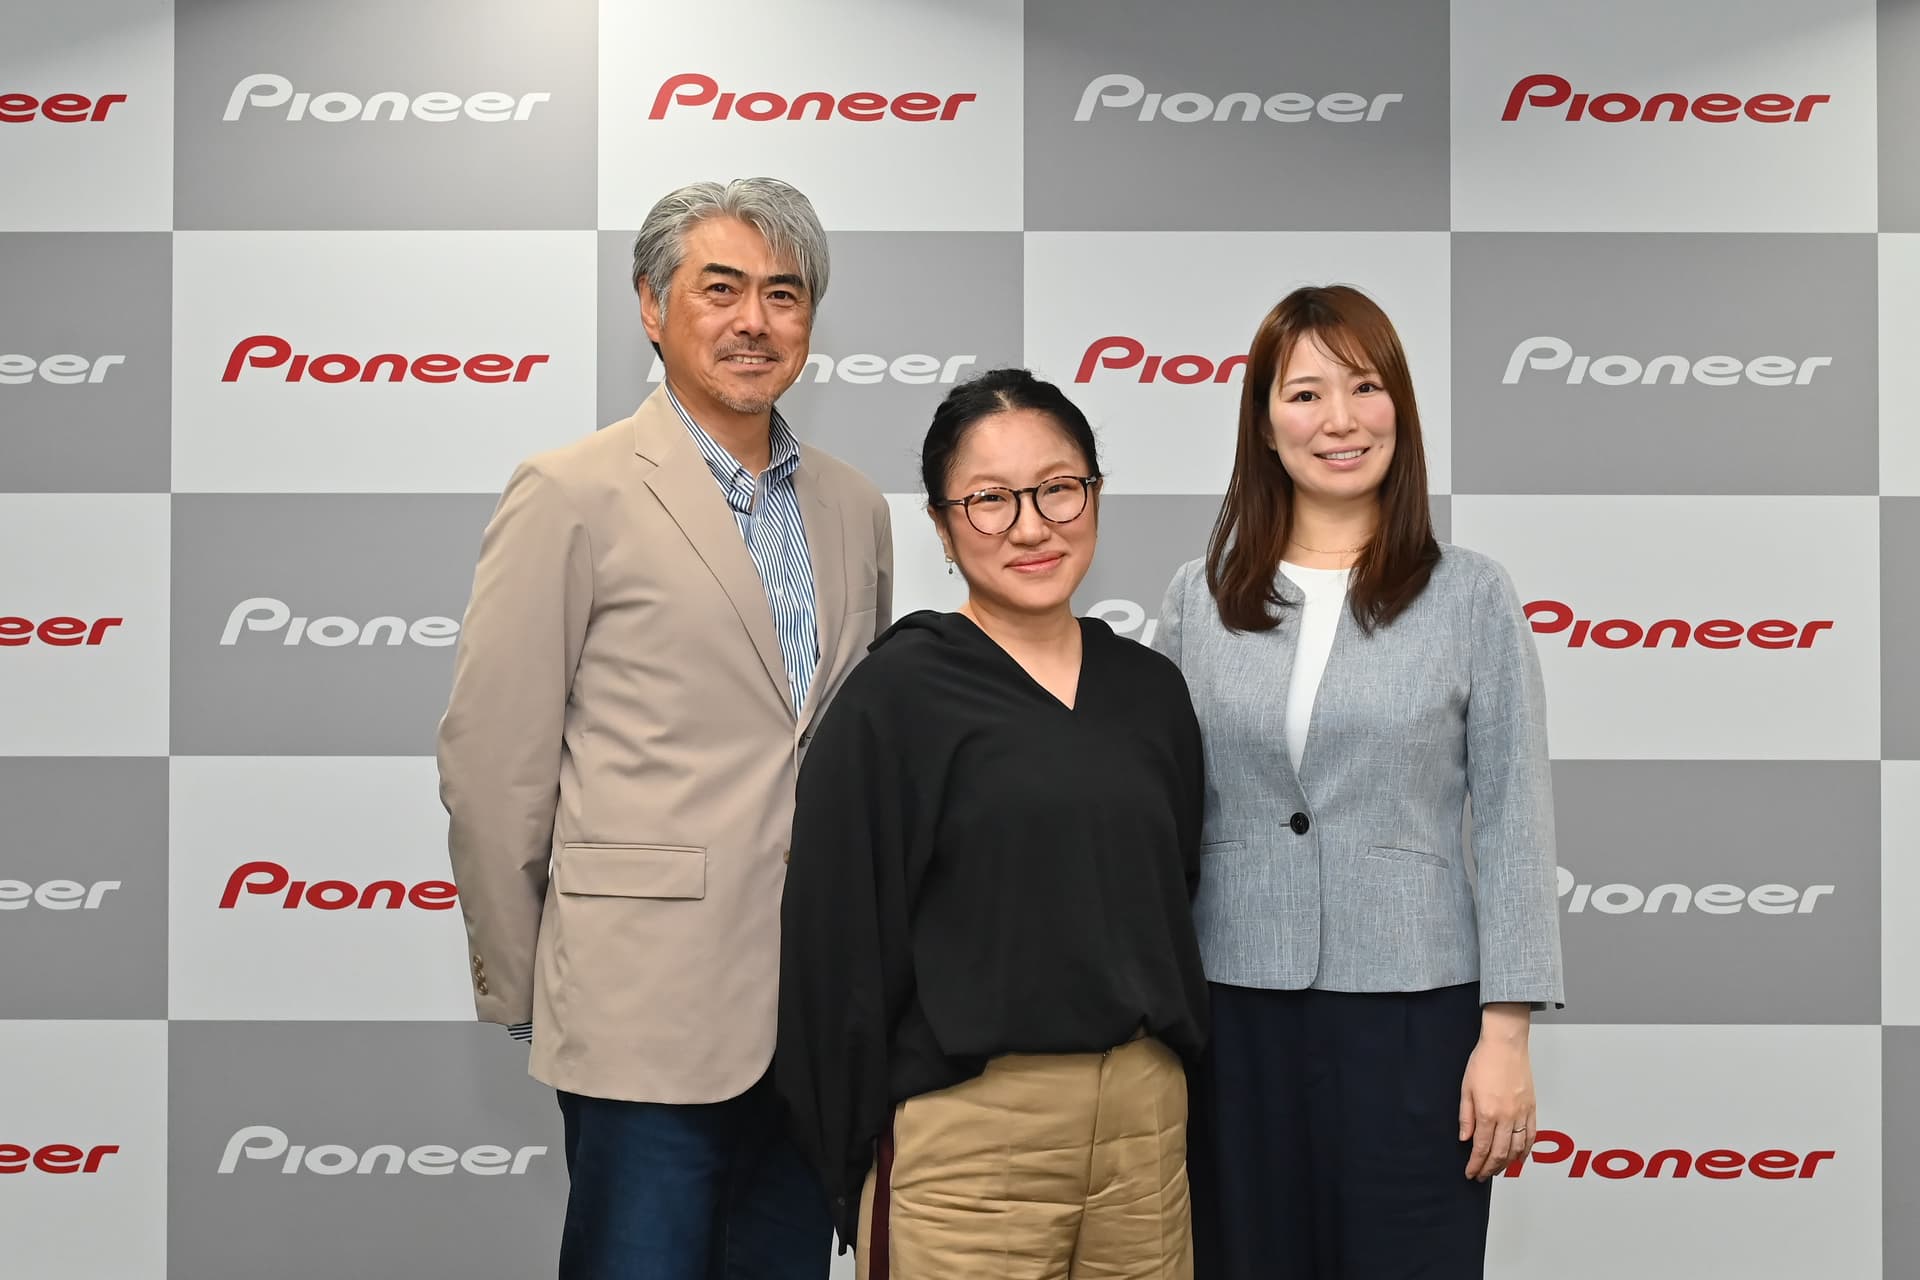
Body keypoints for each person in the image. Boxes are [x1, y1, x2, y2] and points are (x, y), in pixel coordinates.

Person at [436, 177, 893, 1280]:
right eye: (720, 288)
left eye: (784, 294)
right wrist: (534, 986)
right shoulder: (569, 491)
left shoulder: (854, 504)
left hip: (811, 1016)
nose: (755, 321)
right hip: (638, 1006)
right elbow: (493, 765)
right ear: (651, 304)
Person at [1153, 284, 1564, 1279]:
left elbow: (1513, 818)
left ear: (1401, 408)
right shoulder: (1196, 597)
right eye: (1304, 394)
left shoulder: (1472, 593)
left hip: (1414, 1018)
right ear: (1263, 420)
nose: (1338, 420)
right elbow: (1155, 812)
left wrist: (1504, 1032)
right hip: (1231, 1016)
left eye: (1364, 386)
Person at [775, 368, 1209, 1280]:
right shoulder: (897, 696)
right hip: (969, 1136)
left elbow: (1180, 899)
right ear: (940, 524)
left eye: (1058, 488)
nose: (1031, 525)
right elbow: (837, 950)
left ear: (1093, 493)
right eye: (989, 501)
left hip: (1145, 1134)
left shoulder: (1152, 691)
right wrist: (854, 1156)